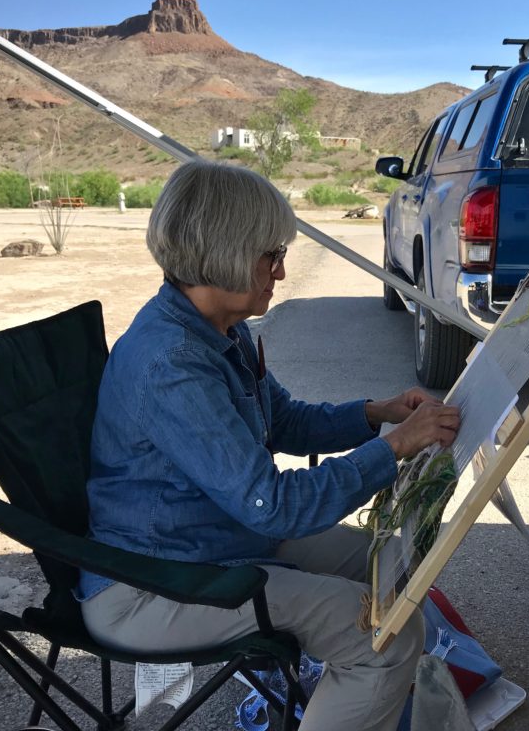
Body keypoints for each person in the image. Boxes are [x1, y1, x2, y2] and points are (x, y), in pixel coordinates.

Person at [79, 158, 461, 731]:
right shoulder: (173, 363)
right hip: (152, 584)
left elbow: (283, 420)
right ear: (224, 250)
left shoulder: (220, 329)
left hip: (216, 540)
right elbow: (274, 504)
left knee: (391, 564)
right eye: (271, 254)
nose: (280, 272)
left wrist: (374, 416)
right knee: (385, 635)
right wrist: (395, 447)